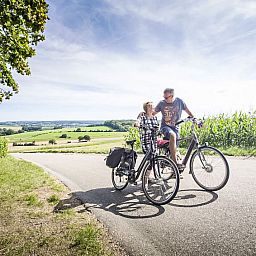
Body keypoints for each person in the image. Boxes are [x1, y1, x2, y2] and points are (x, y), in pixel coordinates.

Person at [154, 88, 194, 167]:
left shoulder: (179, 102)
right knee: (172, 135)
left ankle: (174, 173)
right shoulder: (161, 103)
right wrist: (143, 113)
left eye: (166, 97)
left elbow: (188, 111)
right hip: (165, 127)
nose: (164, 99)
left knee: (175, 148)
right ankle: (175, 164)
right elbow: (152, 113)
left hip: (175, 127)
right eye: (163, 97)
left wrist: (194, 118)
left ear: (171, 96)